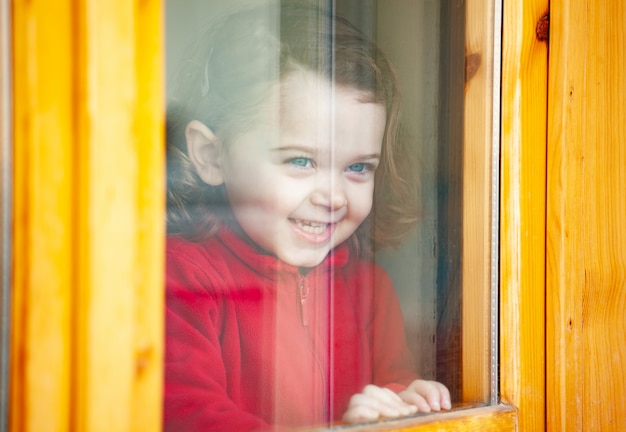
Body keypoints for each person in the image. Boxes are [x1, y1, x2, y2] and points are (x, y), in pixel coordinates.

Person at [164, 1, 451, 430]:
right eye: (300, 161)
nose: (333, 196)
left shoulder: (369, 289)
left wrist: (402, 403)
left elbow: (392, 383)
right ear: (211, 155)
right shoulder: (179, 280)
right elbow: (190, 416)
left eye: (358, 168)